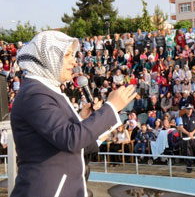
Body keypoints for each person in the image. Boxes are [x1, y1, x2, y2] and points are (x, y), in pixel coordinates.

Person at [10, 31, 137, 197]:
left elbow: (75, 142)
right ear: (49, 57)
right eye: (67, 55)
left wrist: (84, 119)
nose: (74, 60)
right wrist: (111, 107)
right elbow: (71, 139)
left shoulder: (47, 90)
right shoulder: (34, 94)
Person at [178, 104, 195, 173]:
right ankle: (189, 168)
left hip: (194, 137)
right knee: (188, 154)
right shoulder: (181, 117)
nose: (189, 110)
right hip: (186, 138)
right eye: (188, 109)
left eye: (190, 109)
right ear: (185, 109)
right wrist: (188, 133)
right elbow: (181, 128)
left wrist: (192, 133)